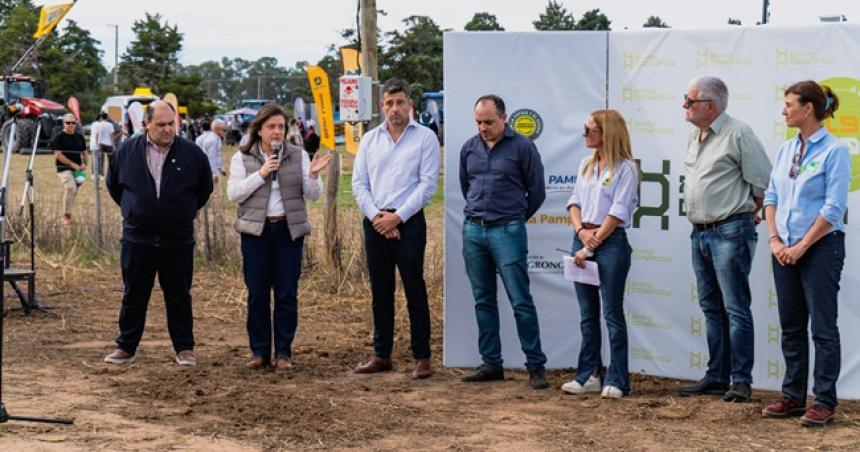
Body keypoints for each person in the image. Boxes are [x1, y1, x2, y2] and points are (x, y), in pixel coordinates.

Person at [761, 81, 851, 426]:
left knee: (823, 328)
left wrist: (801, 246)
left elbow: (833, 207)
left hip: (820, 249)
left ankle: (824, 400)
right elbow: (771, 197)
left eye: (788, 104)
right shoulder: (786, 150)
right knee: (791, 326)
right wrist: (775, 241)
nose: (784, 110)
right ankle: (793, 396)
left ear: (808, 108)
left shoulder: (835, 151)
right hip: (783, 249)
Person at [678, 76, 772, 402]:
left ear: (710, 105)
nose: (684, 106)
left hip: (731, 230)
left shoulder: (739, 133)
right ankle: (717, 375)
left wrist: (749, 213)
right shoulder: (695, 137)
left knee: (734, 308)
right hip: (700, 232)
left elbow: (763, 183)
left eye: (689, 101)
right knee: (711, 307)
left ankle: (741, 380)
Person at [104, 101, 213, 366]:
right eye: (161, 124)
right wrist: (136, 210)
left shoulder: (192, 153)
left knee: (178, 294)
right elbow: (115, 186)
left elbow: (204, 189)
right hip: (137, 237)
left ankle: (184, 347)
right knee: (134, 293)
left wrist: (181, 212)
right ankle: (126, 346)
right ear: (146, 124)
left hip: (177, 238)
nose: (167, 129)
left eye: (171, 124)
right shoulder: (126, 151)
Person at [227, 104, 332, 370]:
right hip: (256, 233)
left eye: (281, 127)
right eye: (271, 127)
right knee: (258, 294)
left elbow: (313, 195)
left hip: (288, 231)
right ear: (259, 130)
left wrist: (313, 175)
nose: (276, 132)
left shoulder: (297, 156)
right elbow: (234, 194)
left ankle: (283, 353)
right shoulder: (242, 157)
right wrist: (262, 174)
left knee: (286, 294)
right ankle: (260, 352)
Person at [459, 94, 549, 390]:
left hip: (508, 230)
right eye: (478, 122)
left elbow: (536, 193)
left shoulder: (523, 147)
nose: (482, 127)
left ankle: (535, 366)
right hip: (473, 230)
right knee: (483, 300)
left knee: (520, 300)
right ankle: (491, 363)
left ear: (504, 118)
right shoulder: (469, 148)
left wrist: (513, 219)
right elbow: (465, 186)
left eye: (488, 122)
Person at [351, 79, 439, 380]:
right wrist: (378, 216)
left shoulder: (425, 138)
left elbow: (427, 186)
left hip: (409, 223)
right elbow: (358, 184)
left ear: (410, 104)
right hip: (375, 221)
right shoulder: (369, 140)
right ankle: (381, 354)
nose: (394, 109)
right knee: (380, 290)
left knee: (414, 288)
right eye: (389, 103)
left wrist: (397, 218)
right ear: (381, 106)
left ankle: (422, 357)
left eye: (400, 102)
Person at [561, 110, 639, 398]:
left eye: (589, 129)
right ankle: (590, 374)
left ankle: (618, 379)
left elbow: (618, 212)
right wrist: (581, 232)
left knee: (612, 314)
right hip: (583, 237)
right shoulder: (586, 164)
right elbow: (574, 202)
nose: (584, 133)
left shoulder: (626, 168)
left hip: (609, 243)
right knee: (587, 314)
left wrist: (590, 243)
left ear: (606, 133)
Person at [51, 113, 88, 225]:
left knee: (74, 191)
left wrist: (85, 164)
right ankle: (66, 216)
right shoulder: (58, 138)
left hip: (78, 171)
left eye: (73, 123)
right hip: (64, 169)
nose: (71, 125)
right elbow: (58, 155)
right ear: (64, 124)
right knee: (71, 188)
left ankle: (68, 214)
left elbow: (84, 152)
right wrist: (72, 164)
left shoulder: (79, 137)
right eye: (68, 123)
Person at [94, 112, 116, 176]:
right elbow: (111, 135)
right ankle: (111, 174)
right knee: (110, 161)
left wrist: (97, 144)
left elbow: (97, 135)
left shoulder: (99, 124)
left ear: (101, 117)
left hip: (101, 144)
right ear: (107, 117)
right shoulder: (110, 125)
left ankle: (101, 174)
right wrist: (113, 145)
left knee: (101, 160)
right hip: (109, 144)